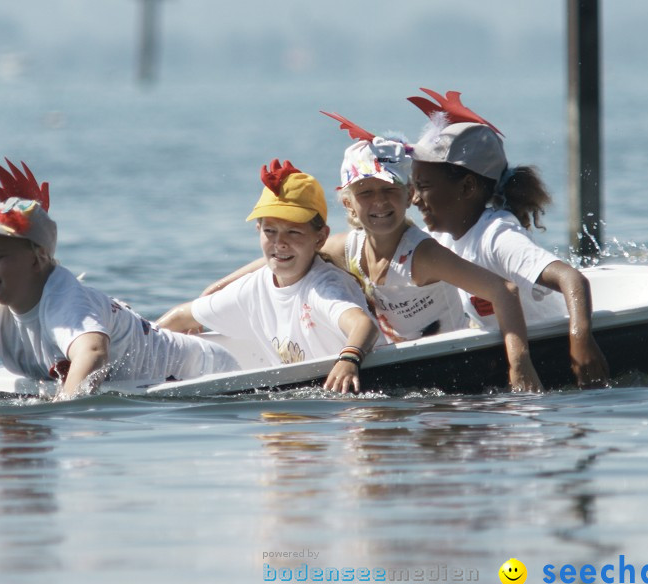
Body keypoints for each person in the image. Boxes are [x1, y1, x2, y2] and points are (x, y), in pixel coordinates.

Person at [203, 115, 543, 393]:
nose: (379, 203)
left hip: (455, 362)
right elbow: (276, 259)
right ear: (348, 202)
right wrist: (218, 289)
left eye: (389, 191)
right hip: (402, 365)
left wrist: (520, 365)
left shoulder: (423, 255)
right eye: (366, 193)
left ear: (409, 194)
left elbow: (503, 290)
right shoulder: (345, 247)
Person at [0, 157, 239, 402]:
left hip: (211, 372)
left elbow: (92, 352)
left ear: (38, 258)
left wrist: (64, 412)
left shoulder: (64, 299)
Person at [407, 87, 610, 388]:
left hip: (555, 348)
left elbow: (572, 279)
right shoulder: (438, 242)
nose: (414, 199)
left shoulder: (496, 235)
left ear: (467, 187)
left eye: (423, 186)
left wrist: (581, 340)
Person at [157, 159, 379, 394]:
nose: (280, 243)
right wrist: (140, 342)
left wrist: (349, 359)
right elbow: (182, 316)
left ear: (321, 237)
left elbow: (364, 325)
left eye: (293, 232)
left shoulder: (324, 287)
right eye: (270, 231)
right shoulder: (254, 287)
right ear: (258, 230)